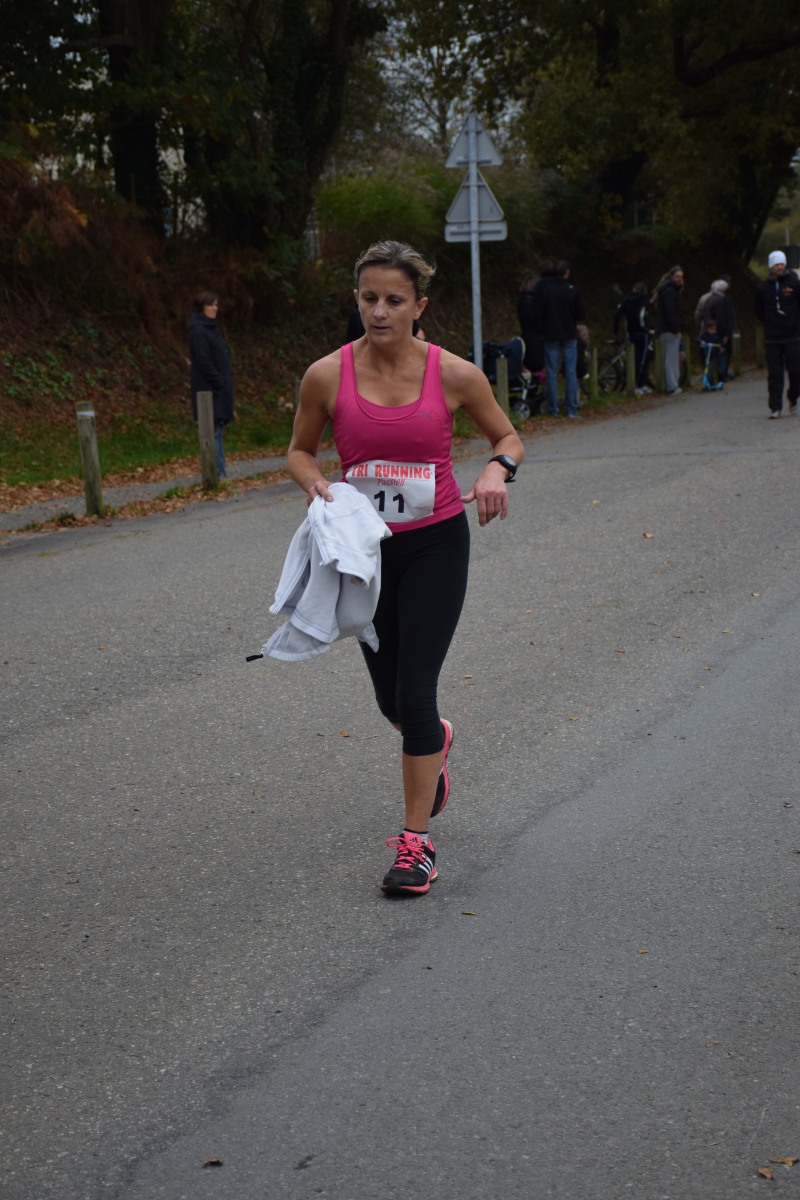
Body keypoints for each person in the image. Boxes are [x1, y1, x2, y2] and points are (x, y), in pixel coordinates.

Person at [287, 240, 524, 895]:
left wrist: (496, 470)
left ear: (420, 305)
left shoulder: (454, 374)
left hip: (435, 544)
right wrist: (316, 485)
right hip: (363, 554)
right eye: (369, 298)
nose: (379, 311)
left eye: (395, 300)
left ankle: (416, 845)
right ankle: (433, 741)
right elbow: (300, 451)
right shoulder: (326, 376)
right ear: (356, 299)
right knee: (391, 701)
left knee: (415, 692)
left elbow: (507, 436)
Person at [530, 258, 586, 417]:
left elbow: (537, 313)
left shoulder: (546, 290)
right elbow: (580, 314)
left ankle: (553, 408)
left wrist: (542, 328)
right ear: (566, 273)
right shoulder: (572, 290)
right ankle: (571, 408)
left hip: (550, 334)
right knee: (570, 371)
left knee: (552, 372)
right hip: (569, 334)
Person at [189, 291, 234, 477]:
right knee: (212, 432)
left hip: (219, 389)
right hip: (209, 390)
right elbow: (202, 360)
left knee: (218, 431)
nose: (215, 308)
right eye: (211, 305)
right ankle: (215, 474)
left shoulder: (212, 330)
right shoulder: (199, 331)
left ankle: (220, 473)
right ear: (202, 307)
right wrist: (218, 381)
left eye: (216, 305)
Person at [754, 249, 800, 418]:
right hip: (773, 337)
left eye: (781, 264)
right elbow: (758, 310)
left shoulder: (794, 283)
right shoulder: (762, 288)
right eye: (776, 265)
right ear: (771, 267)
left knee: (795, 370)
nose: (779, 267)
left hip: (792, 335)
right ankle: (775, 407)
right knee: (775, 373)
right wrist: (769, 323)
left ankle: (793, 396)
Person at [614, 281, 652, 394]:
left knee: (632, 359)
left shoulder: (626, 299)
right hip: (641, 332)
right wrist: (646, 328)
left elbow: (618, 313)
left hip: (630, 332)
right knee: (641, 359)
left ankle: (634, 383)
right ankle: (638, 384)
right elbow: (642, 315)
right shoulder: (644, 299)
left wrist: (615, 329)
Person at [654, 265, 685, 395]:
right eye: (677, 276)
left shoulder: (667, 290)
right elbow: (671, 312)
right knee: (671, 358)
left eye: (681, 277)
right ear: (672, 276)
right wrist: (676, 328)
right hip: (669, 329)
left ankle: (672, 384)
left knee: (670, 357)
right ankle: (672, 385)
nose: (680, 279)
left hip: (666, 328)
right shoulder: (669, 292)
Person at [698, 279, 735, 380]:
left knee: (710, 357)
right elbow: (722, 318)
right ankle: (721, 374)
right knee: (722, 354)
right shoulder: (721, 300)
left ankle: (711, 376)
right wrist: (725, 333)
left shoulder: (709, 299)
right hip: (716, 332)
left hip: (708, 329)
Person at [517, 272, 545, 375]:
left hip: (530, 337)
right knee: (535, 366)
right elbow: (536, 320)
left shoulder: (524, 301)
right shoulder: (528, 303)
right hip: (534, 340)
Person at [696, 318, 725, 390]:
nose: (713, 331)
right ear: (708, 328)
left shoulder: (716, 335)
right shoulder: (704, 334)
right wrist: (701, 341)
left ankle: (709, 381)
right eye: (711, 329)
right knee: (706, 368)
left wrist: (720, 347)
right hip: (705, 355)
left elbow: (719, 342)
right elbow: (698, 338)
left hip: (712, 355)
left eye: (714, 329)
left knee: (710, 368)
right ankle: (709, 382)